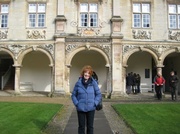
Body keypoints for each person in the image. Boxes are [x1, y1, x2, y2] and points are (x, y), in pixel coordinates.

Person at [71, 65, 102, 134]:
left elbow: (98, 94)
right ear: (83, 73)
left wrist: (95, 103)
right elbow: (73, 95)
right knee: (81, 127)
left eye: (88, 73)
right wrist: (77, 104)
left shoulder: (94, 83)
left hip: (91, 108)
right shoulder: (78, 83)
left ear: (90, 74)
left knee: (90, 127)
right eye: (85, 72)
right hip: (80, 108)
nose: (87, 74)